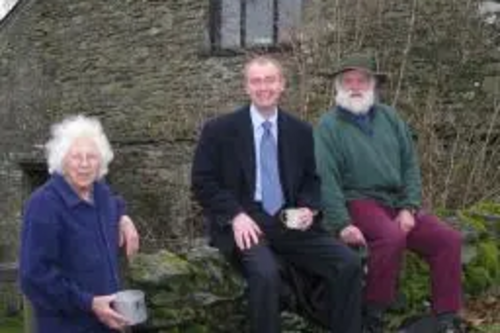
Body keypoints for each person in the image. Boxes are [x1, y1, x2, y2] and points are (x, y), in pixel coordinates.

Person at [191, 55, 363, 333]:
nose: (264, 87)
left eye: (270, 80)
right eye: (256, 81)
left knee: (348, 263)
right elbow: (202, 181)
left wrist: (309, 208)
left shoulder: (301, 131)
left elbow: (312, 179)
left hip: (289, 220)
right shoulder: (219, 130)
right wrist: (235, 215)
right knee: (266, 275)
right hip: (246, 221)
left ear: (282, 84)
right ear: (246, 87)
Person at [314, 53, 464, 333]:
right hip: (357, 200)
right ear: (339, 86)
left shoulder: (390, 118)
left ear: (373, 85)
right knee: (390, 237)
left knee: (448, 240)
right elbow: (326, 179)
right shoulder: (328, 127)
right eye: (348, 81)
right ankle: (373, 316)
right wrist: (342, 224)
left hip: (396, 202)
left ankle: (445, 318)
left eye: (361, 80)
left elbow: (410, 166)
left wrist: (409, 207)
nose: (355, 86)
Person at [20, 115, 140, 333]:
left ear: (101, 161)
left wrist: (123, 217)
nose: (84, 164)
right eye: (76, 157)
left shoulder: (100, 193)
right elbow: (34, 277)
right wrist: (89, 303)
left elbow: (114, 202)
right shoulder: (44, 205)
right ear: (62, 160)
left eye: (91, 157)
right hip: (67, 325)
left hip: (108, 323)